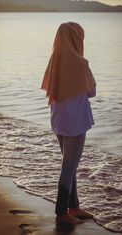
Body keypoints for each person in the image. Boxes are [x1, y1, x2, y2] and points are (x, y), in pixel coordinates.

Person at [41, 22, 96, 225]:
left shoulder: (53, 61)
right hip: (75, 122)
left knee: (69, 165)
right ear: (76, 39)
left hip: (58, 120)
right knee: (69, 167)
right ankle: (61, 212)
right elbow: (92, 92)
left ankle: (73, 207)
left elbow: (49, 88)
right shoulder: (81, 64)